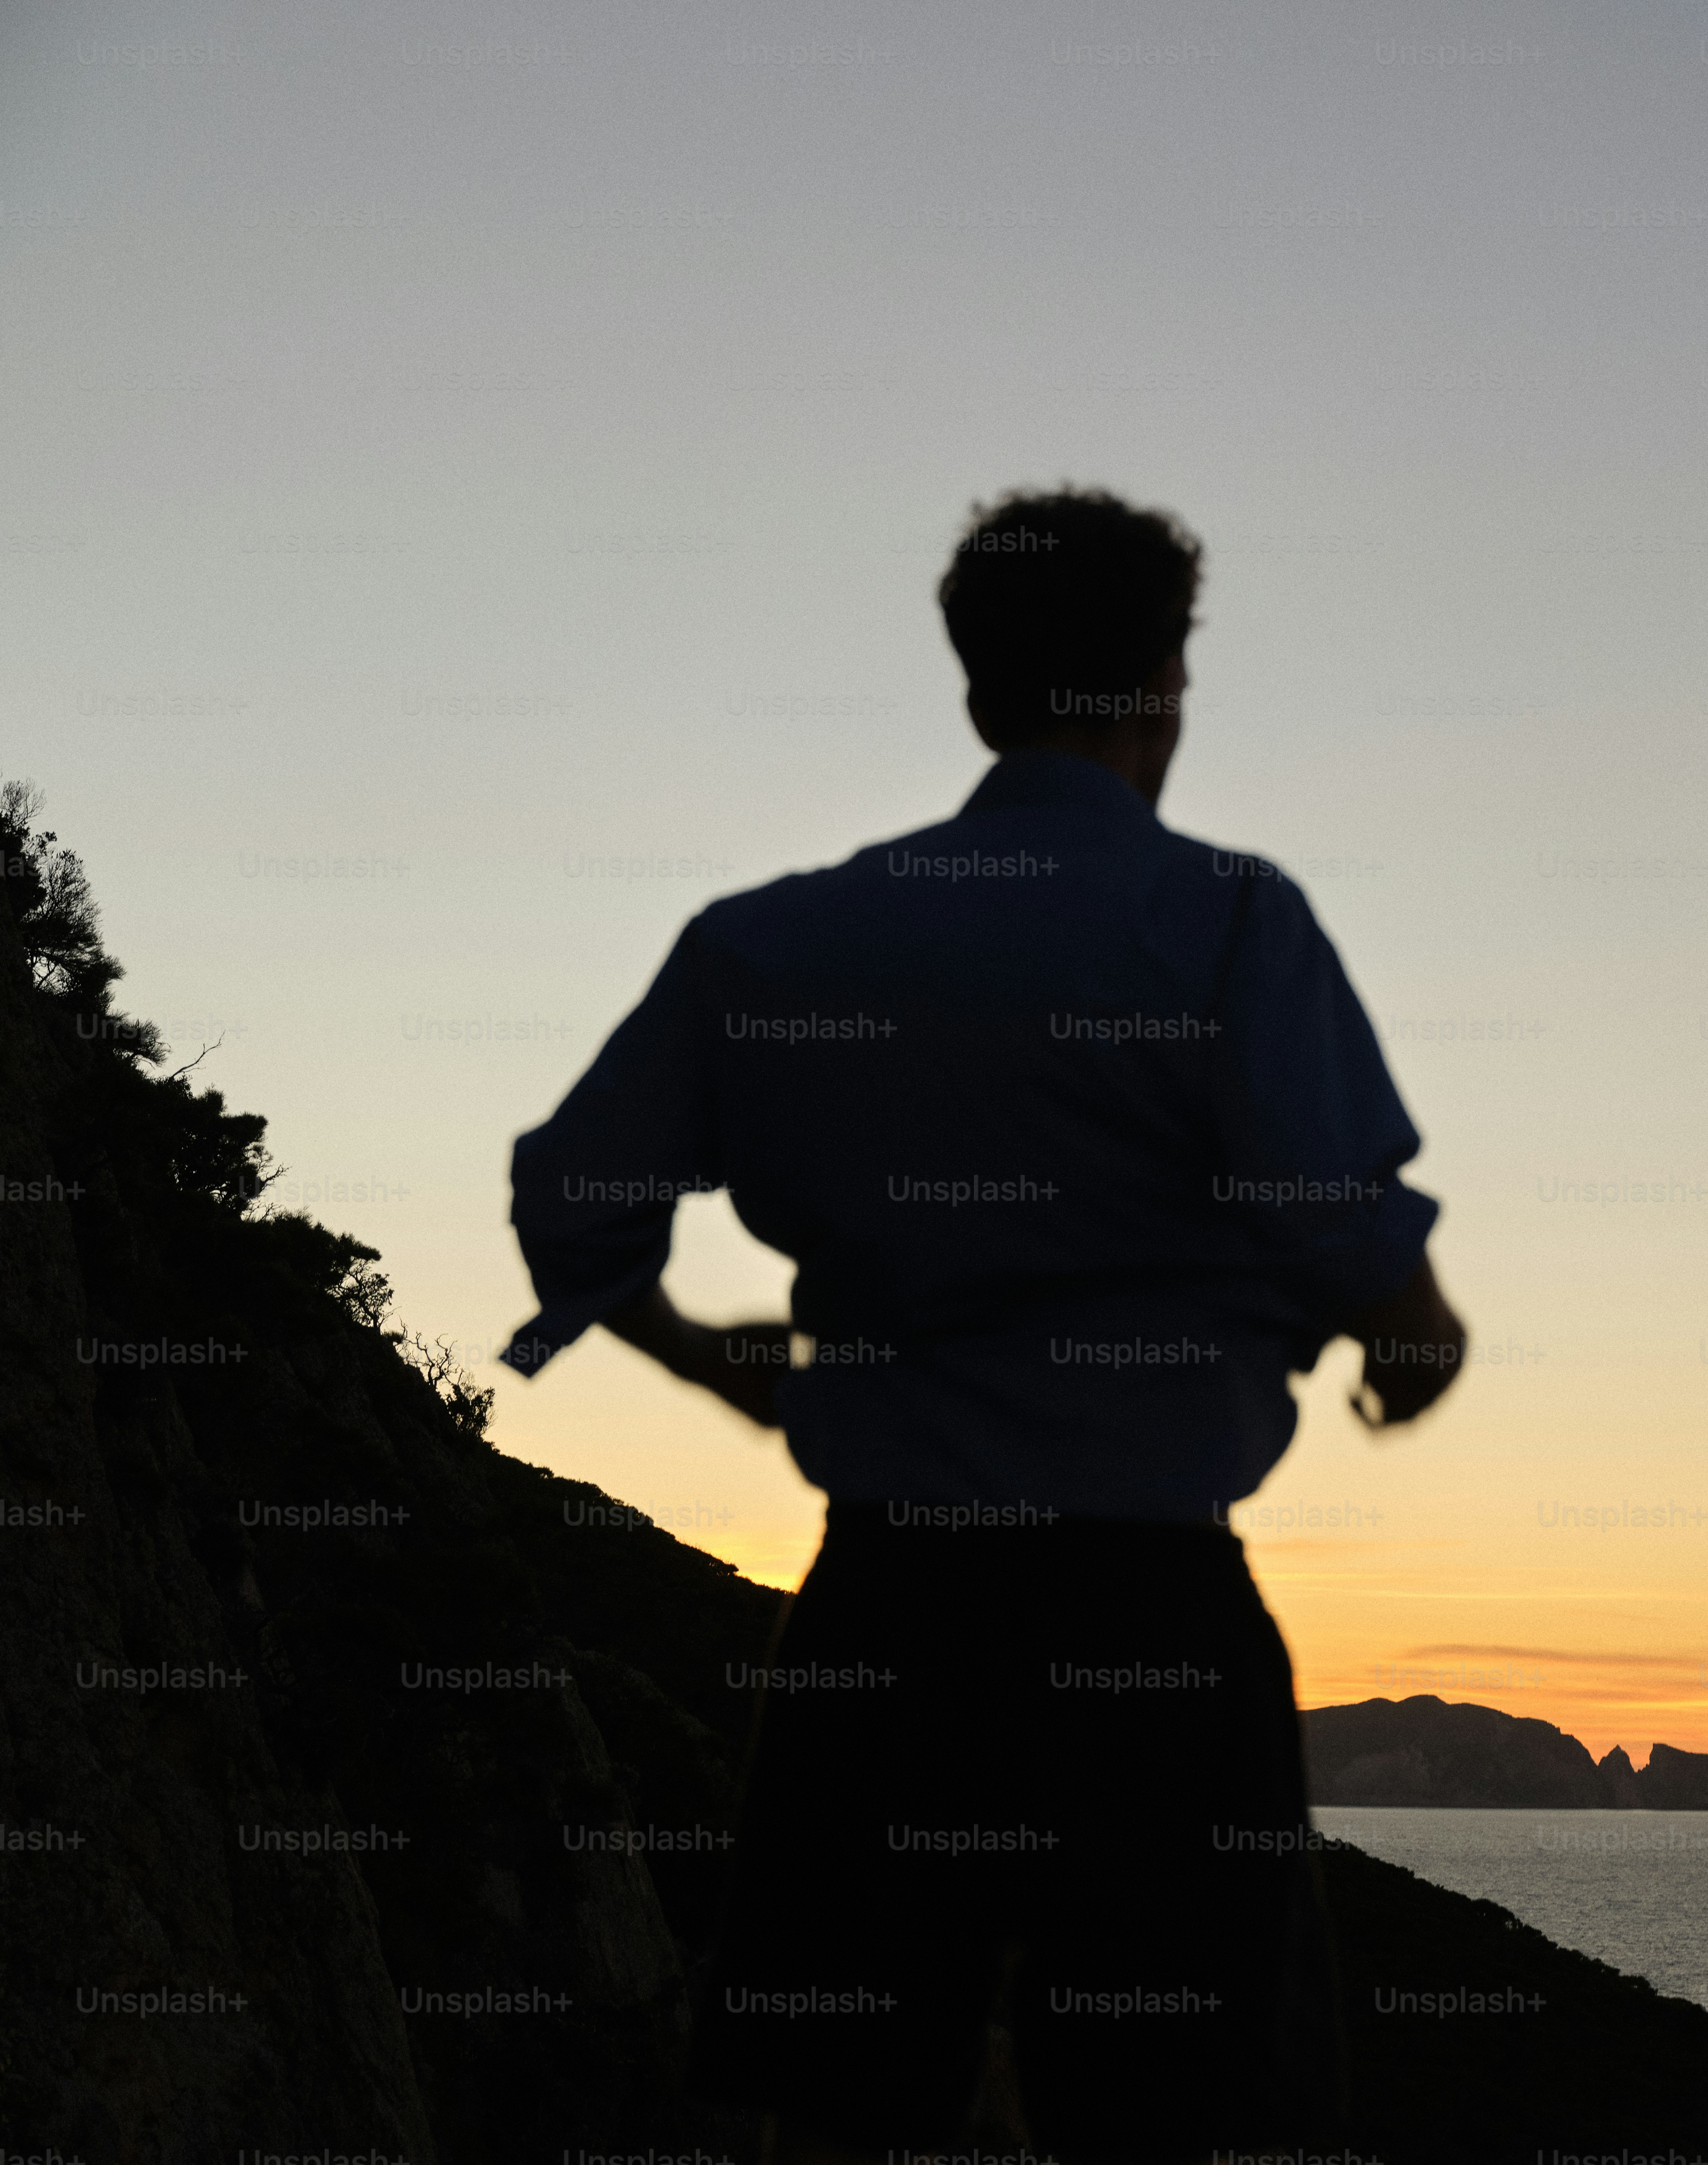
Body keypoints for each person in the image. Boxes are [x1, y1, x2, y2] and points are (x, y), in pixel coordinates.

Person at [500, 486, 1466, 2162]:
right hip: (1150, 1620)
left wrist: (694, 1353)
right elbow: (1349, 1247)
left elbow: (577, 1200)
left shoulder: (771, 943)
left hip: (886, 1613)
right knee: (1198, 2118)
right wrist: (1411, 1343)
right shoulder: (1229, 922)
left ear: (973, 688)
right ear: (1168, 677)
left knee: (844, 2116)